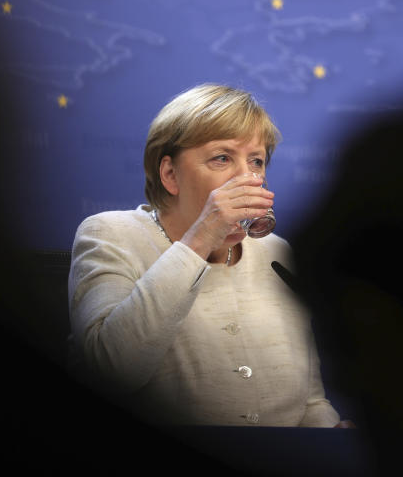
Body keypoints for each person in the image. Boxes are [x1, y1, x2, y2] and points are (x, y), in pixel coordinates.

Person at [67, 84, 349, 428]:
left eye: (256, 161)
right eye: (222, 158)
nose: (247, 177)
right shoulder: (111, 234)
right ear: (171, 175)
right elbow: (110, 373)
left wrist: (333, 434)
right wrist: (201, 237)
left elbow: (309, 401)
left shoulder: (277, 251)